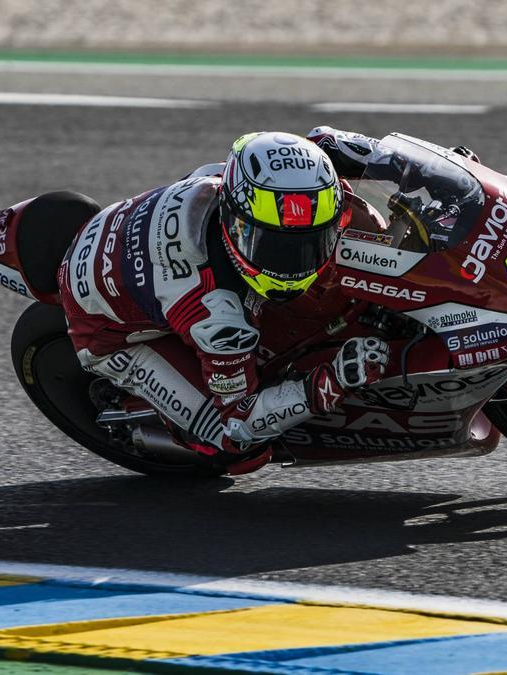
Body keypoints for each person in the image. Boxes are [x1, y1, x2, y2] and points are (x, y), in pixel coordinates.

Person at [54, 128, 396, 474]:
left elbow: (326, 140)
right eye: (275, 247)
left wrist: (439, 171)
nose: (296, 263)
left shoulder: (267, 178)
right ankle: (174, 427)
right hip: (101, 322)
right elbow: (241, 419)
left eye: (313, 242)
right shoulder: (217, 315)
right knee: (235, 447)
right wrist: (332, 381)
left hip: (140, 233)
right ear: (235, 226)